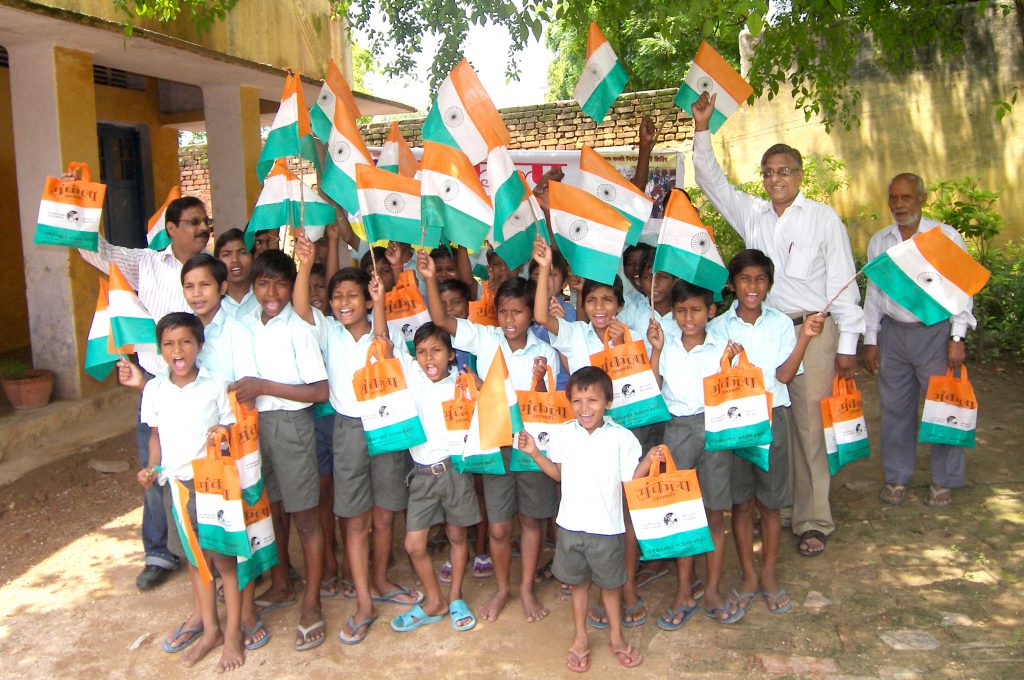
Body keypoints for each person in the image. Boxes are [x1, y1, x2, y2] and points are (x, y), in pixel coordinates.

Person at [690, 91, 865, 557]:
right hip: (761, 331)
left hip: (811, 332)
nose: (774, 179)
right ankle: (780, 506)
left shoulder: (823, 220)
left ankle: (813, 519)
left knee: (809, 427)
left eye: (783, 171)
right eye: (768, 173)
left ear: (800, 175)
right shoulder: (752, 213)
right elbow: (710, 182)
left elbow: (844, 285)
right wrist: (703, 126)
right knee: (769, 422)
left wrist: (848, 342)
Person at [292, 234, 419, 646]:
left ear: (368, 300)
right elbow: (299, 307)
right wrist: (305, 262)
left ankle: (380, 578)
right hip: (348, 430)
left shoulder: (387, 335)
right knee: (356, 517)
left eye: (354, 295)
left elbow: (381, 348)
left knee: (385, 514)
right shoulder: (328, 331)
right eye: (337, 296)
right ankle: (364, 601)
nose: (344, 302)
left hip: (386, 426)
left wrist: (381, 301)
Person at [79, 195, 212, 590]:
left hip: (204, 390)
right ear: (171, 229)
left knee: (203, 470)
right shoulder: (147, 263)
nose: (202, 228)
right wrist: (74, 205)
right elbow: (95, 252)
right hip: (156, 388)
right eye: (192, 222)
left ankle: (211, 546)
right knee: (154, 469)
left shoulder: (212, 267)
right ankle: (158, 553)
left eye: (205, 221)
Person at [421, 249, 560, 624]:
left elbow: (548, 404)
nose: (509, 319)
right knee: (498, 526)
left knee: (531, 522)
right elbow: (439, 318)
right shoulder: (485, 339)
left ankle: (527, 587)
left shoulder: (547, 351)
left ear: (531, 314)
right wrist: (430, 278)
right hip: (494, 447)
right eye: (503, 312)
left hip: (532, 449)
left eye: (517, 312)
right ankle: (503, 588)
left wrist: (542, 376)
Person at [532, 237, 653, 629]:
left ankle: (625, 585)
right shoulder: (576, 335)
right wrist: (546, 268)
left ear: (619, 305)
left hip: (622, 431)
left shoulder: (630, 337)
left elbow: (645, 383)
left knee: (625, 511)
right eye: (592, 302)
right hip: (584, 434)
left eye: (607, 302)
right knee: (591, 510)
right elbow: (540, 316)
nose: (600, 309)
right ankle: (594, 587)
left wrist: (622, 349)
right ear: (582, 306)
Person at [708, 249, 825, 615]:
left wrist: (804, 336)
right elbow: (713, 381)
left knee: (771, 505)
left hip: (772, 420)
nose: (752, 286)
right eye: (745, 279)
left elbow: (786, 375)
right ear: (732, 284)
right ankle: (747, 575)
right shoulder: (718, 328)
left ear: (769, 285)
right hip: (735, 425)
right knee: (741, 504)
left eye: (760, 279)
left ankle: (770, 574)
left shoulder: (778, 324)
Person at [517, 367, 651, 672]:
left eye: (592, 400)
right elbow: (559, 475)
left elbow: (629, 479)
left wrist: (649, 459)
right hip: (571, 527)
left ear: (608, 402)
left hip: (608, 528)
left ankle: (616, 638)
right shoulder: (564, 434)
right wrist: (536, 453)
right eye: (577, 400)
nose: (584, 407)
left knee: (610, 586)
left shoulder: (621, 438)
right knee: (578, 585)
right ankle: (580, 638)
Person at [230, 250, 329, 651]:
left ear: (292, 287)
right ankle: (283, 582)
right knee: (271, 511)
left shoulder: (299, 329)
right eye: (263, 283)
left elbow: (319, 391)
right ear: (252, 287)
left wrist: (264, 387)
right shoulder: (244, 324)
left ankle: (312, 602)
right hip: (254, 429)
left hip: (290, 426)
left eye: (281, 283)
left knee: (305, 515)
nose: (272, 292)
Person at [862, 173, 975, 507]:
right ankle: (897, 477)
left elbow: (962, 289)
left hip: (936, 332)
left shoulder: (944, 237)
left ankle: (944, 480)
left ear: (922, 199)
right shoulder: (880, 241)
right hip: (894, 335)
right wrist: (871, 338)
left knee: (944, 408)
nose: (899, 205)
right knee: (895, 408)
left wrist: (957, 335)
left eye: (906, 198)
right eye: (893, 198)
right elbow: (875, 294)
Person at [137, 312, 238, 670]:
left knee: (223, 560)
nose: (177, 350)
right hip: (176, 487)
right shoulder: (154, 389)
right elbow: (155, 435)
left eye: (185, 342)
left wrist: (220, 435)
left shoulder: (215, 384)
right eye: (168, 343)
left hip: (210, 486)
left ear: (199, 345)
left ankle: (234, 635)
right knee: (196, 561)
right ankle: (211, 629)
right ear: (160, 349)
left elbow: (229, 426)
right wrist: (151, 469)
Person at [646, 280, 739, 627]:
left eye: (696, 310)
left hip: (714, 429)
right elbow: (653, 391)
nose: (688, 317)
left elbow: (733, 393)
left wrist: (731, 362)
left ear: (711, 311)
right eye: (682, 310)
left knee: (714, 513)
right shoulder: (666, 344)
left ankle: (712, 588)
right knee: (682, 513)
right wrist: (655, 350)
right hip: (677, 430)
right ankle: (684, 589)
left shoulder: (722, 347)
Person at [385, 323, 481, 633]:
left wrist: (476, 385)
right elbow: (387, 343)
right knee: (414, 545)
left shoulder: (462, 384)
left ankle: (454, 598)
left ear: (451, 355)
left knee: (457, 537)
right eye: (422, 352)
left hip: (454, 471)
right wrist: (379, 300)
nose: (429, 359)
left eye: (437, 351)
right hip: (422, 476)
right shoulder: (413, 378)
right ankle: (434, 600)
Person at [214, 229, 259, 320]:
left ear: (253, 257)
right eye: (226, 254)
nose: (235, 260)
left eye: (243, 252)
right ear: (217, 261)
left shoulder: (264, 296)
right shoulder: (212, 301)